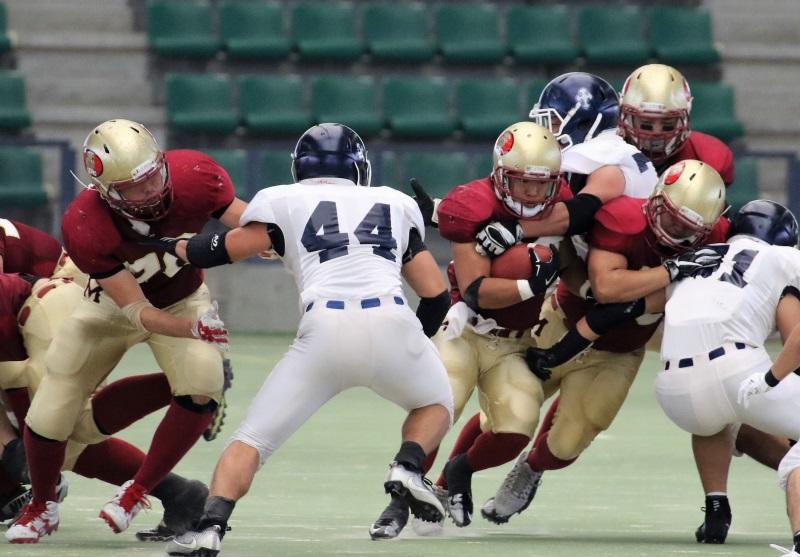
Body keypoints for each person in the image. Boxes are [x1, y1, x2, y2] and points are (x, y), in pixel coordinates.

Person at [141, 123, 454, 555]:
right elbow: (437, 295)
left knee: (252, 440)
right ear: (358, 167)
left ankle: (211, 527)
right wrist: (410, 344)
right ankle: (408, 465)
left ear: (299, 168)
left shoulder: (283, 200)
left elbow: (217, 251)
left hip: (323, 328)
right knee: (436, 403)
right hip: (391, 316)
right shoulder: (394, 202)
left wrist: (170, 245)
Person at [5, 119, 238, 543]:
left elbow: (253, 225)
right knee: (51, 411)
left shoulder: (196, 175)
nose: (150, 191)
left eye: (152, 176)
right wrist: (193, 329)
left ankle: (138, 490)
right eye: (134, 187)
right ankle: (41, 506)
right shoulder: (85, 222)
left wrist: (273, 242)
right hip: (111, 305)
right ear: (107, 192)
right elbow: (136, 311)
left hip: (179, 296)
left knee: (202, 380)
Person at [482, 159, 729, 524]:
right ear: (654, 199)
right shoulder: (624, 217)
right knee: (504, 411)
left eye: (687, 226)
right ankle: (448, 480)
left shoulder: (719, 237)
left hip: (622, 348)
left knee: (568, 443)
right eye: (671, 216)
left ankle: (531, 467)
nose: (674, 228)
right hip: (566, 319)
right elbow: (607, 289)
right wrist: (671, 270)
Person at [0, 272, 208, 539]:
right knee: (51, 441)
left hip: (47, 310)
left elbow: (11, 369)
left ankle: (191, 389)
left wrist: (22, 451)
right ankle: (179, 493)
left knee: (60, 431)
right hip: (42, 308)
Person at [653, 200, 800, 552]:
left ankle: (715, 506)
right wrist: (770, 379)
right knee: (742, 402)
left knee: (721, 418)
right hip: (736, 371)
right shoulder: (784, 260)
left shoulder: (699, 256)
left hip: (674, 392)